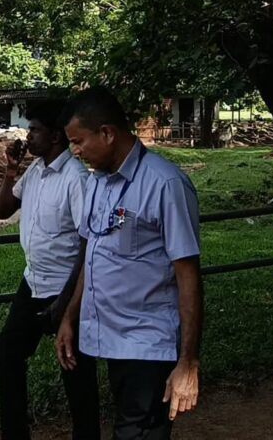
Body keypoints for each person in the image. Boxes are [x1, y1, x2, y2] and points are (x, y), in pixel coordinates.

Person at [55, 87, 203, 440]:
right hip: (112, 340)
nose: (74, 152)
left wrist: (188, 362)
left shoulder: (164, 184)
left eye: (78, 142)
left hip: (148, 344)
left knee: (135, 432)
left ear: (107, 133)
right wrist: (70, 317)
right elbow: (92, 255)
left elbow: (189, 276)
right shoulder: (97, 182)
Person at [0, 102, 100, 440]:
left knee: (75, 369)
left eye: (35, 130)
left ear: (55, 136)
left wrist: (67, 302)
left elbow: (88, 242)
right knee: (7, 352)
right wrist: (11, 169)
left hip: (65, 287)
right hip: (33, 282)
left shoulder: (76, 178)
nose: (28, 137)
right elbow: (2, 211)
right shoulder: (35, 170)